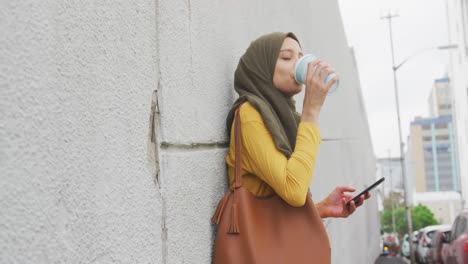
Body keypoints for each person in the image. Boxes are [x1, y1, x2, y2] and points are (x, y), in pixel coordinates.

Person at [225, 32, 370, 221]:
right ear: (263, 68)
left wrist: (321, 208)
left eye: (301, 57)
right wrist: (311, 111)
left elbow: (279, 212)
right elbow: (294, 191)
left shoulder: (283, 117)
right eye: (287, 57)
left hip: (274, 242)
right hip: (259, 248)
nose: (300, 64)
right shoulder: (249, 114)